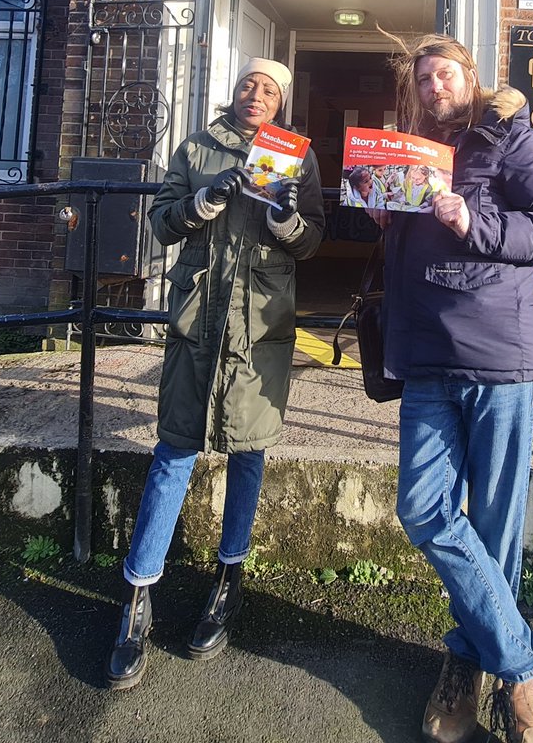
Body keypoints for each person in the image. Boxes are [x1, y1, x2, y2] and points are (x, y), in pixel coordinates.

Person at [371, 34, 533, 743]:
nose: (433, 86)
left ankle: (467, 664)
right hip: (427, 355)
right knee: (423, 508)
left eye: (444, 73)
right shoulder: (412, 152)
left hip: (500, 355)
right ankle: (523, 661)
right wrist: (384, 221)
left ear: (470, 76)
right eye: (423, 79)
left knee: (494, 524)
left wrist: (475, 219)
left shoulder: (510, 138)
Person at [105, 57, 325, 690]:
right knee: (174, 448)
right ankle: (137, 596)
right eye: (249, 84)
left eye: (270, 89)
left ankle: (229, 578)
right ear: (235, 91)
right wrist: (203, 201)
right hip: (198, 321)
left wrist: (285, 220)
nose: (257, 95)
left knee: (249, 453)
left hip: (258, 326)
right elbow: (161, 220)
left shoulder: (298, 155)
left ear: (282, 102)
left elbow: (312, 240)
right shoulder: (197, 146)